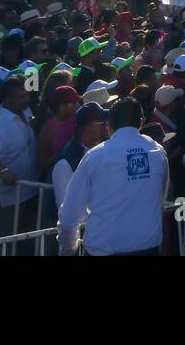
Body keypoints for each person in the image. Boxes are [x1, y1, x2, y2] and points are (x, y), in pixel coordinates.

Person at [59, 98, 168, 256]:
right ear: (141, 122)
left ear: (109, 126)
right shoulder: (158, 153)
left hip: (103, 250)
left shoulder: (95, 156)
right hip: (147, 249)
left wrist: (68, 251)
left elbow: (69, 217)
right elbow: (160, 200)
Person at [0, 75, 40, 236]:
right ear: (6, 100)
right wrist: (3, 171)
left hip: (27, 192)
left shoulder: (24, 111)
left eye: (27, 94)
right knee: (2, 244)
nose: (26, 99)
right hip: (6, 200)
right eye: (21, 97)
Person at [50, 101, 110, 207]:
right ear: (90, 126)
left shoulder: (100, 151)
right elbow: (65, 207)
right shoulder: (65, 163)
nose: (106, 126)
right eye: (103, 123)